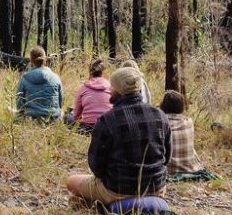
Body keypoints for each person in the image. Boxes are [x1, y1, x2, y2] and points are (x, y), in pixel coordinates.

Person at [65, 66, 170, 206]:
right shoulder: (160, 116)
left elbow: (96, 165)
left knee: (71, 181)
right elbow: (167, 157)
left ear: (118, 89)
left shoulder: (107, 120)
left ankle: (96, 202)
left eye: (112, 86)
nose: (109, 89)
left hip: (117, 190)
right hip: (156, 188)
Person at [158, 90, 207, 176]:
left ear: (163, 105)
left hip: (169, 169)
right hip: (190, 167)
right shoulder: (189, 122)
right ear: (181, 106)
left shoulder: (160, 124)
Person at [15, 46, 63, 122]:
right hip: (53, 119)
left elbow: (19, 104)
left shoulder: (24, 78)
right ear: (45, 59)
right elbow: (60, 102)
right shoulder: (56, 78)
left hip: (31, 119)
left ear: (31, 60)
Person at [66, 60, 113, 132]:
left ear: (90, 73)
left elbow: (76, 116)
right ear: (103, 73)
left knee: (66, 116)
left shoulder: (83, 88)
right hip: (107, 128)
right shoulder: (110, 87)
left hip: (88, 128)